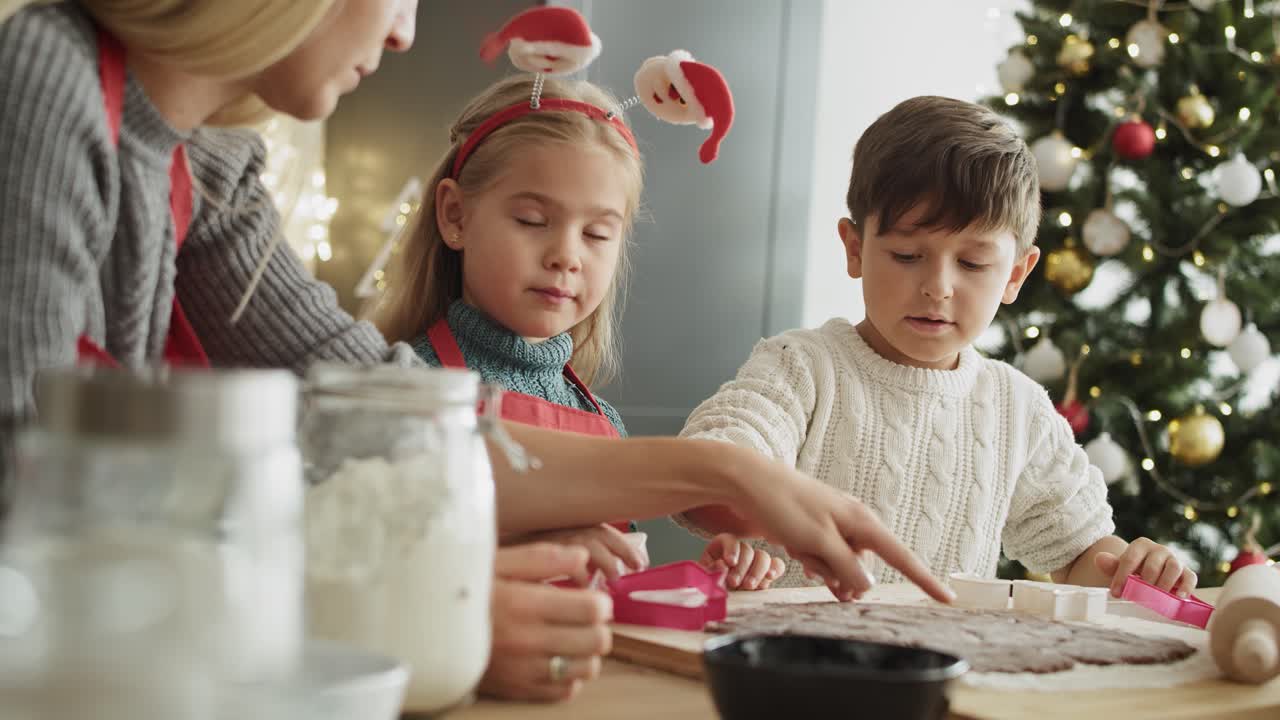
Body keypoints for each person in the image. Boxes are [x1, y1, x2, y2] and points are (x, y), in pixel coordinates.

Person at [0, 1, 948, 704]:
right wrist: (414, 608)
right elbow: (25, 529)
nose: (407, 31)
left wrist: (719, 471)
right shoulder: (46, 80)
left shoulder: (211, 166)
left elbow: (397, 423)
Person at [675, 95, 1198, 600]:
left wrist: (1131, 568)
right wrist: (741, 513)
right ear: (855, 249)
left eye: (972, 264)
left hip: (950, 676)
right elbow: (713, 462)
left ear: (1016, 275)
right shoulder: (802, 369)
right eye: (906, 255)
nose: (938, 287)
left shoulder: (1018, 409)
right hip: (798, 670)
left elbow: (1079, 554)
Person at [371, 74, 782, 590]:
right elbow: (374, 572)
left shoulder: (600, 418)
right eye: (531, 219)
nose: (566, 255)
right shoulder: (401, 387)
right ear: (456, 215)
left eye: (596, 234)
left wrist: (701, 579)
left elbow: (611, 586)